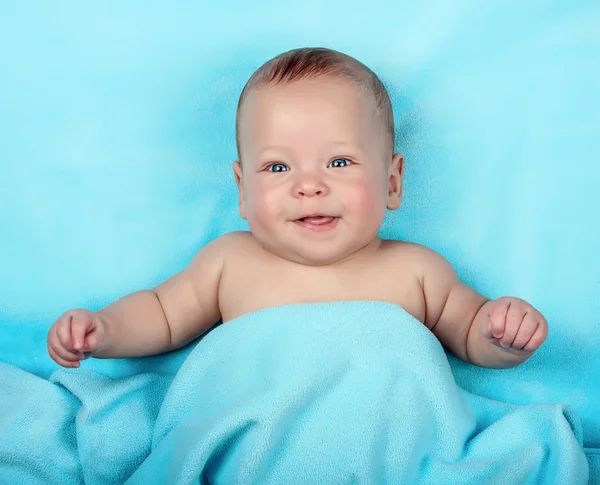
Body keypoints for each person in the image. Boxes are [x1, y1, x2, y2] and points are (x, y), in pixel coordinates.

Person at [47, 47, 548, 371]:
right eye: (279, 168)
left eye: (339, 161)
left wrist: (500, 334)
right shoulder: (229, 261)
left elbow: (468, 331)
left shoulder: (416, 269)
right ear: (243, 192)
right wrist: (105, 331)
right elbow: (160, 314)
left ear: (392, 182)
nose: (309, 186)